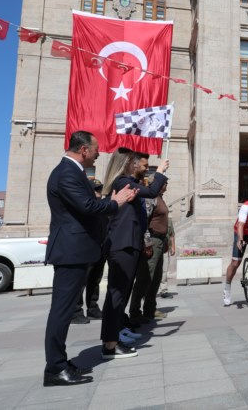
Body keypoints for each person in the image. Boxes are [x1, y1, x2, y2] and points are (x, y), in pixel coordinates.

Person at [43, 131, 136, 387]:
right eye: (95, 149)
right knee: (61, 312)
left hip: (77, 250)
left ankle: (59, 361)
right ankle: (55, 368)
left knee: (63, 310)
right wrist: (114, 202)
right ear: (83, 150)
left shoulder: (72, 172)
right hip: (70, 250)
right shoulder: (66, 173)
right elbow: (88, 207)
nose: (98, 153)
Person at [100, 149, 169, 360]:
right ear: (129, 163)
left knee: (122, 293)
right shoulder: (122, 183)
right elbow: (151, 192)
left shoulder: (127, 183)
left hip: (130, 244)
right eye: (140, 164)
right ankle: (110, 345)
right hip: (123, 244)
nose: (144, 168)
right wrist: (161, 171)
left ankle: (116, 335)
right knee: (117, 294)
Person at [130, 177, 172, 324]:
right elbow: (144, 222)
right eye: (164, 184)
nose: (165, 187)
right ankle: (135, 312)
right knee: (145, 277)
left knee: (156, 278)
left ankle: (150, 309)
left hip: (160, 240)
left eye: (166, 184)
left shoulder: (160, 198)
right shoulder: (150, 198)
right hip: (152, 240)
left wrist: (166, 240)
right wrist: (147, 243)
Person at [72, 178, 108, 324]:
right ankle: (75, 311)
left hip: (101, 246)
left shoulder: (101, 205)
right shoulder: (85, 205)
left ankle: (92, 308)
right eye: (95, 189)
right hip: (87, 247)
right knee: (82, 281)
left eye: (99, 189)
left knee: (95, 280)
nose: (98, 193)